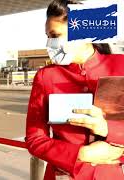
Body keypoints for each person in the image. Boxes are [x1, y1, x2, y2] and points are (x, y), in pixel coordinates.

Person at [25, 0, 124, 179]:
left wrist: (108, 130)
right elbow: (34, 139)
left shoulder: (119, 66)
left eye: (55, 35)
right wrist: (81, 154)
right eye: (48, 36)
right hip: (62, 174)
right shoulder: (45, 77)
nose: (50, 43)